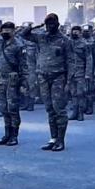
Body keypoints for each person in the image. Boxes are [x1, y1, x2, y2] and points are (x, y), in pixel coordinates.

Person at [21, 13, 71, 152]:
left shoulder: (64, 40)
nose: (50, 27)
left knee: (58, 108)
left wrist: (69, 81)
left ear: (58, 25)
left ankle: (61, 140)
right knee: (49, 108)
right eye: (48, 24)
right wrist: (36, 26)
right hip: (43, 76)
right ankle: (53, 138)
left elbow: (70, 61)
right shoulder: (41, 37)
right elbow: (23, 35)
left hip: (58, 77)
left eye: (52, 24)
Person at [68, 26, 93, 121]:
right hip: (70, 73)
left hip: (81, 72)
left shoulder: (85, 44)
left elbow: (89, 59)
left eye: (77, 32)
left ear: (80, 33)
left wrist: (88, 73)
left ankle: (81, 113)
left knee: (81, 93)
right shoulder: (68, 43)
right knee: (73, 94)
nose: (75, 33)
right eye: (73, 32)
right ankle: (74, 112)